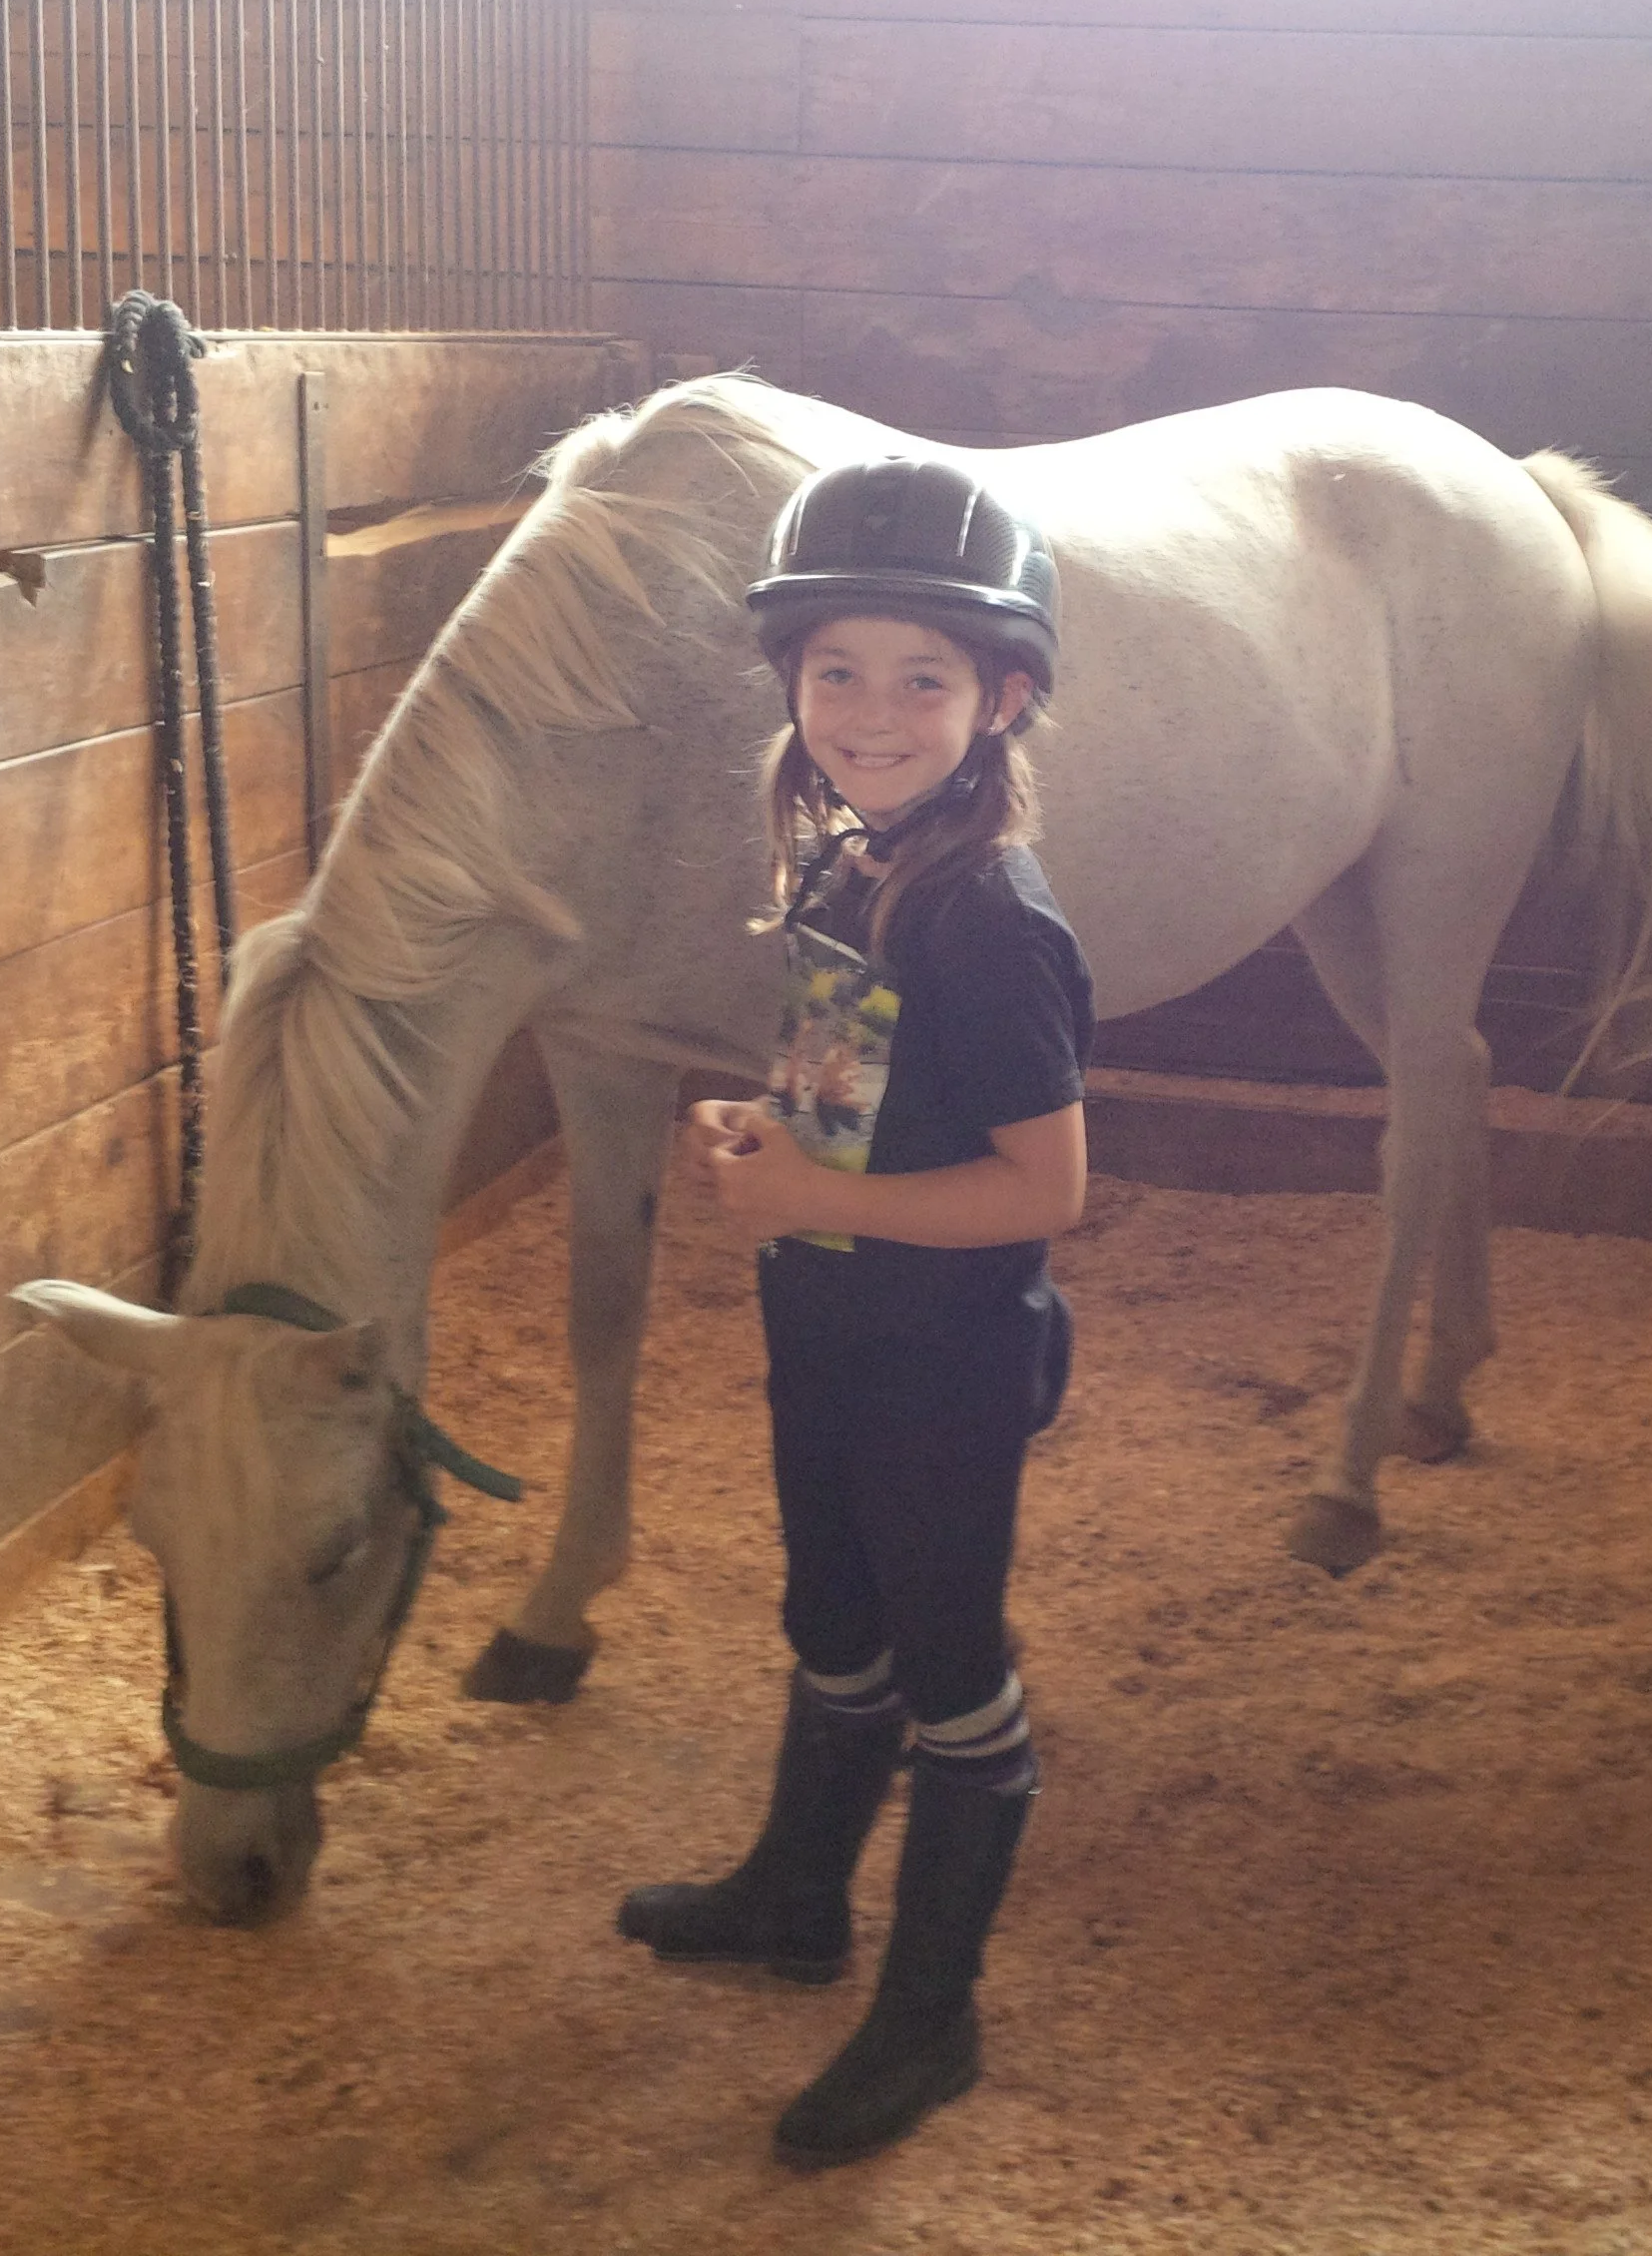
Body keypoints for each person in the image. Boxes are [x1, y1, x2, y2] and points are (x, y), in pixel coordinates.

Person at [616, 452, 1094, 2168]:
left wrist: (816, 1196)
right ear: (791, 681)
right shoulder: (851, 856)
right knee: (834, 1616)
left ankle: (930, 2020)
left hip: (946, 1361)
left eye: (923, 679)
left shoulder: (988, 921)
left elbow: (1047, 1190)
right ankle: (797, 1899)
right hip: (825, 1326)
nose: (870, 711)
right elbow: (864, 1083)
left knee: (954, 1675)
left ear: (1002, 697)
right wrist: (775, 1119)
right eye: (837, 672)